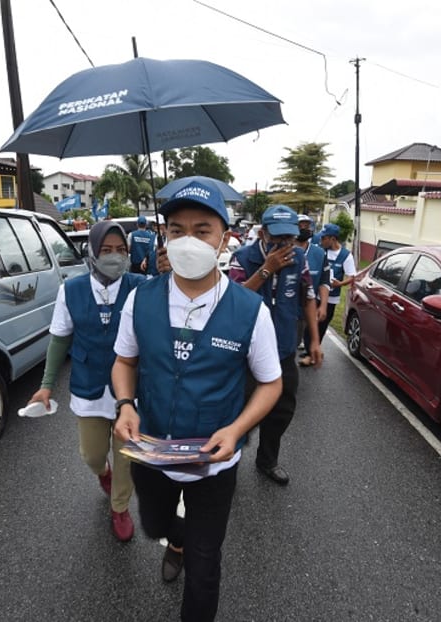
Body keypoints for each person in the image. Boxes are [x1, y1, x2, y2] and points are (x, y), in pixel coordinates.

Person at [112, 178, 283, 622]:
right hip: (152, 451)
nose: (188, 240)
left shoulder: (250, 311)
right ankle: (176, 538)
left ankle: (192, 553)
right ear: (165, 236)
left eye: (202, 230)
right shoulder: (140, 299)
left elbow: (271, 384)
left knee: (205, 567)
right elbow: (124, 361)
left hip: (214, 461)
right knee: (153, 524)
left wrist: (237, 429)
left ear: (225, 239)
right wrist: (126, 404)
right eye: (177, 230)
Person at [27, 221, 145, 542]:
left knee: (127, 456)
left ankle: (120, 507)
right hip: (88, 385)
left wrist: (168, 271)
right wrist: (46, 385)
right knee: (91, 454)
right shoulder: (71, 290)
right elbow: (59, 340)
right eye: (106, 250)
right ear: (91, 252)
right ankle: (103, 473)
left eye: (120, 250)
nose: (114, 256)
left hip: (131, 390)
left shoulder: (142, 287)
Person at [229, 204, 322, 486]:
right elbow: (234, 300)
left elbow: (308, 297)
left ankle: (267, 460)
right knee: (237, 408)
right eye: (277, 237)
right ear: (263, 233)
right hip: (244, 352)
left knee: (283, 409)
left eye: (289, 238)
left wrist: (315, 340)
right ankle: (228, 459)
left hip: (282, 347)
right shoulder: (242, 258)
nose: (284, 244)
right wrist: (266, 270)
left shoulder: (299, 258)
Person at [317, 223, 357, 343]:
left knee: (322, 325)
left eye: (324, 238)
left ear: (333, 239)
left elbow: (351, 276)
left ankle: (314, 347)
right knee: (310, 323)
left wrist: (340, 284)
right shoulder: (320, 250)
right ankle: (309, 345)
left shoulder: (346, 256)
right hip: (316, 294)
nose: (321, 240)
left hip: (331, 298)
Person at [296, 228, 330, 366]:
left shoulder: (319, 254)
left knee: (296, 342)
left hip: (306, 310)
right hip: (284, 311)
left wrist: (323, 305)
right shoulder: (282, 250)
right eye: (300, 224)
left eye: (307, 225)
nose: (304, 228)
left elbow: (324, 281)